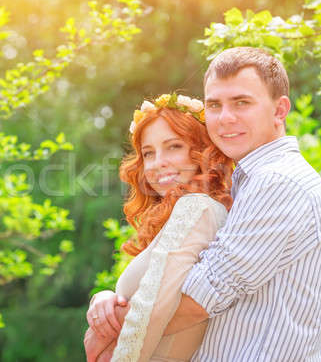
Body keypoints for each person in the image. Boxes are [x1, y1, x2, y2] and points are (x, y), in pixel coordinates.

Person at [86, 47, 321, 362]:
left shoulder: (278, 182)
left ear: (280, 111)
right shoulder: (243, 185)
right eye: (214, 105)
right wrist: (109, 300)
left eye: (242, 103)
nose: (225, 118)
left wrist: (108, 327)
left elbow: (200, 298)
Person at [84, 92, 235, 361]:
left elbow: (152, 309)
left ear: (202, 151)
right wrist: (106, 299)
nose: (158, 163)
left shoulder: (197, 208)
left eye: (174, 146)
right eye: (148, 153)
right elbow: (151, 294)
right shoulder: (192, 213)